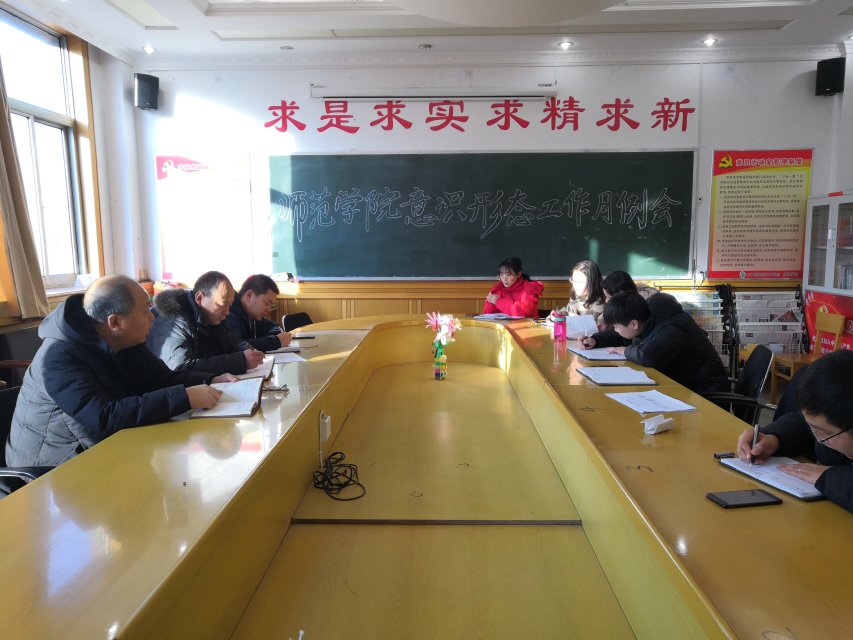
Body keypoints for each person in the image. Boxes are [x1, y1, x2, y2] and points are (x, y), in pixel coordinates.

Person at [5, 275, 231, 468]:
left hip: (102, 451)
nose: (152, 317)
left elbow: (163, 378)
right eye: (145, 311)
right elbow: (103, 417)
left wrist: (211, 380)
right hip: (50, 470)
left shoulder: (125, 340)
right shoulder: (58, 357)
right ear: (115, 322)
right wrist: (184, 397)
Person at [736, 350, 853, 512]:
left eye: (825, 434)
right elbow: (804, 423)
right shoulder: (833, 420)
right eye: (815, 429)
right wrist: (773, 439)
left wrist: (830, 478)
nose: (819, 437)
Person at [580, 291, 728, 396]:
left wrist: (625, 351)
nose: (615, 329)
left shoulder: (672, 328)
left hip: (705, 394)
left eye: (616, 326)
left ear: (634, 324)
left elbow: (647, 356)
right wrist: (596, 339)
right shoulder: (646, 317)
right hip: (680, 387)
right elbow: (624, 335)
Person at [146, 271, 265, 374]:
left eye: (230, 305)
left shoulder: (211, 317)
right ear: (199, 298)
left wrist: (248, 350)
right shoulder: (172, 322)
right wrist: (240, 361)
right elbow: (180, 369)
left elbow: (231, 342)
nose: (227, 312)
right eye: (222, 304)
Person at [224, 274, 293, 352]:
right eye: (267, 303)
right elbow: (237, 346)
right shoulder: (229, 311)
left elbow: (273, 326)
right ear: (249, 295)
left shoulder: (252, 314)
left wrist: (276, 336)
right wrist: (276, 341)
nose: (269, 309)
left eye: (271, 305)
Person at [550, 259, 606, 325]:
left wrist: (578, 320)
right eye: (573, 280)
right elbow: (567, 311)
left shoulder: (602, 306)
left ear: (592, 282)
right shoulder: (576, 298)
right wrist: (558, 314)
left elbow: (601, 330)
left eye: (579, 281)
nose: (575, 285)